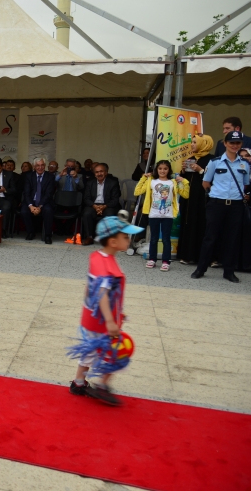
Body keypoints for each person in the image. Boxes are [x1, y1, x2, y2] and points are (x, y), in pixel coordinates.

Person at [67, 215, 143, 407]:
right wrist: (110, 320)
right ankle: (102, 385)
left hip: (90, 319)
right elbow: (101, 293)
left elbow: (89, 289)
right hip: (102, 322)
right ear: (113, 241)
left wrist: (117, 313)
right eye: (126, 237)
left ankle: (78, 383)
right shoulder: (108, 266)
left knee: (90, 352)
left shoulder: (97, 257)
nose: (129, 240)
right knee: (117, 354)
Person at [191, 131, 251, 283]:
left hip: (236, 206)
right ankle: (201, 268)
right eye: (231, 142)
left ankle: (229, 271)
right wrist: (216, 195)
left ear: (241, 144)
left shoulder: (244, 164)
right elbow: (206, 183)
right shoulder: (215, 162)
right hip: (217, 204)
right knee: (210, 237)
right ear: (225, 143)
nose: (234, 145)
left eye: (237, 143)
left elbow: (245, 184)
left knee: (232, 239)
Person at [134, 160, 189, 271]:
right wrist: (143, 178)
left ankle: (166, 261)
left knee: (166, 239)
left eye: (165, 169)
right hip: (153, 214)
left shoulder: (172, 182)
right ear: (156, 170)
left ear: (169, 170)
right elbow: (137, 191)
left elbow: (186, 194)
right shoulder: (152, 181)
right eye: (160, 168)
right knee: (153, 239)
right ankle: (152, 259)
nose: (162, 171)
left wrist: (185, 181)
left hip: (168, 215)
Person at [177, 135, 215, 265]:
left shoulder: (212, 160)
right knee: (189, 224)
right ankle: (187, 255)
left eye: (194, 142)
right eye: (192, 142)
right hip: (190, 200)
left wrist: (200, 170)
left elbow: (215, 179)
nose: (192, 145)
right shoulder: (191, 159)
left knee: (203, 225)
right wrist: (182, 171)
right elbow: (185, 179)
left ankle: (203, 258)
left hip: (204, 200)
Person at [81, 164, 121, 246]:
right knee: (87, 213)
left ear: (106, 172)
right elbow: (86, 198)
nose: (99, 174)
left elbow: (115, 200)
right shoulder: (90, 182)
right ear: (94, 174)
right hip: (93, 205)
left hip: (108, 205)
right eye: (97, 172)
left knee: (109, 214)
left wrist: (104, 206)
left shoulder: (113, 183)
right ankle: (89, 237)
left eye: (101, 171)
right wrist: (95, 206)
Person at [20, 158, 57, 244]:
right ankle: (30, 232)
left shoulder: (50, 177)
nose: (40, 167)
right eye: (38, 165)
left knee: (48, 210)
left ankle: (47, 235)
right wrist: (31, 206)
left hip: (44, 202)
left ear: (45, 166)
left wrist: (40, 206)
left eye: (42, 165)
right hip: (31, 201)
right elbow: (26, 193)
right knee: (24, 211)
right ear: (34, 166)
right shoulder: (29, 176)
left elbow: (49, 194)